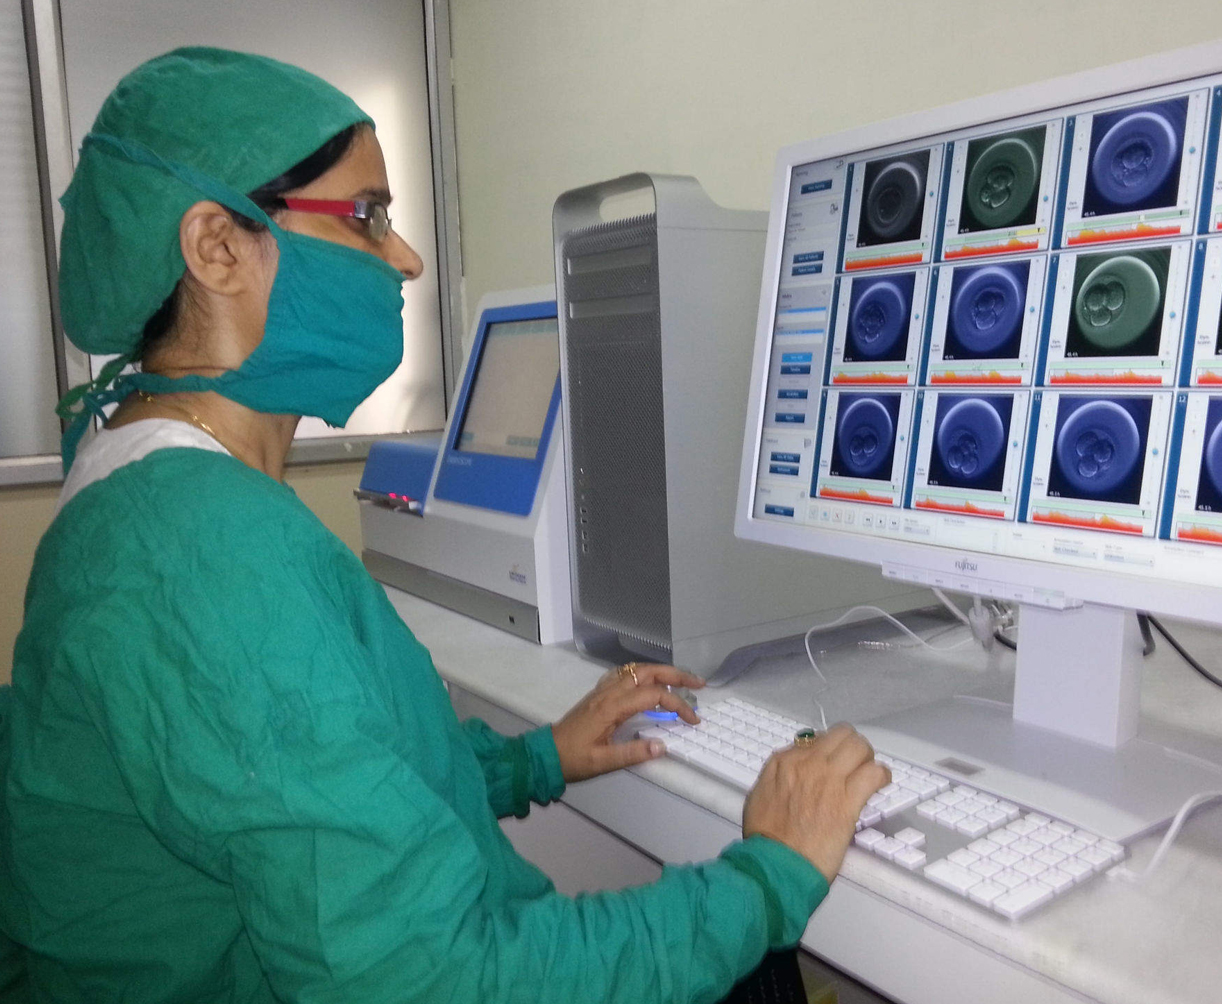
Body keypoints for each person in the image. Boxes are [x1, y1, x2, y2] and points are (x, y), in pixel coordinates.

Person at [0, 48, 888, 1002]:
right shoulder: (202, 553)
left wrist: (535, 759)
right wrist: (768, 877)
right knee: (761, 964)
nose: (407, 259)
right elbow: (438, 980)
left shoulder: (154, 478)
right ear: (218, 247)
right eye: (367, 217)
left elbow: (322, 771)